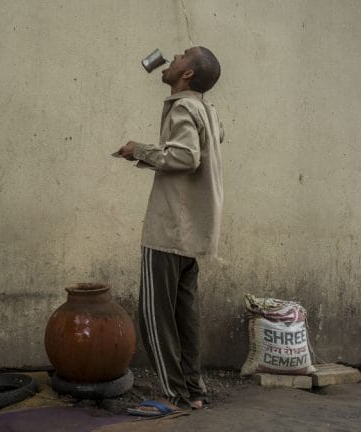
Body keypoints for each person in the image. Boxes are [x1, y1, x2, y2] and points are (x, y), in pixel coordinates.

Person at [118, 46, 224, 415]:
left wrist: (139, 150)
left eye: (180, 57)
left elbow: (185, 156)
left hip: (168, 230)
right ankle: (193, 390)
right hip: (192, 232)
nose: (172, 59)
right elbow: (210, 145)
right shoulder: (207, 111)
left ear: (187, 74)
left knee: (156, 317)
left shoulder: (182, 107)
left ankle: (172, 397)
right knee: (184, 317)